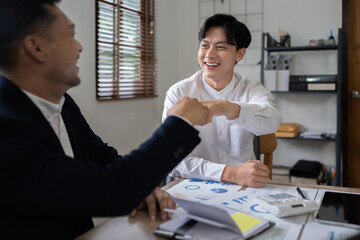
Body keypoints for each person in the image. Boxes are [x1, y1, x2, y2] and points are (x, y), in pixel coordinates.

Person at [0, 0, 211, 239]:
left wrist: (141, 186)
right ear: (36, 48)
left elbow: (102, 157)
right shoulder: (6, 130)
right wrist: (179, 122)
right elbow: (109, 188)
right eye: (71, 35)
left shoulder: (63, 104)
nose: (79, 47)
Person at [162, 14, 282, 188]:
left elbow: (272, 121)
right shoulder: (179, 92)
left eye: (220, 47)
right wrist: (230, 173)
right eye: (204, 45)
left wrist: (227, 108)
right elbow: (173, 160)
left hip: (244, 187)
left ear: (239, 54)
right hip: (194, 187)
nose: (209, 54)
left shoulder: (250, 88)